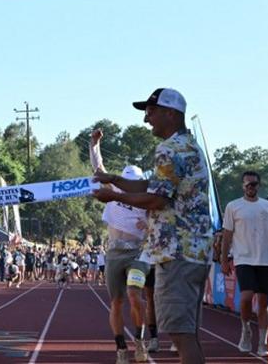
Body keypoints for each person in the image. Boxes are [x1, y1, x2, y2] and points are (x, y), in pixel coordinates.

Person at [94, 88, 213, 364]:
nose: (147, 119)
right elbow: (152, 186)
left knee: (181, 336)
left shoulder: (169, 149)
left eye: (151, 111)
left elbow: (155, 199)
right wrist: (114, 179)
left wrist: (113, 195)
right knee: (189, 334)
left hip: (176, 253)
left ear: (170, 113)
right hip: (193, 250)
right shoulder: (188, 146)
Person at [90, 128, 150, 363]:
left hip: (137, 253)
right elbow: (98, 168)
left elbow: (159, 221)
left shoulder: (146, 196)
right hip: (114, 253)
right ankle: (121, 349)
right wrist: (94, 144)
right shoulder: (113, 189)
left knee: (135, 296)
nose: (129, 187)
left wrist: (149, 228)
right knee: (116, 302)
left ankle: (140, 341)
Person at [220, 171, 268, 356]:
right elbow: (227, 236)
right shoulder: (233, 206)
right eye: (248, 184)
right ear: (243, 185)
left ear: (259, 185)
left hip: (266, 260)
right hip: (243, 258)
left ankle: (263, 343)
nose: (251, 187)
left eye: (254, 184)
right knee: (247, 297)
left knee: (264, 303)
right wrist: (224, 259)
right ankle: (246, 330)